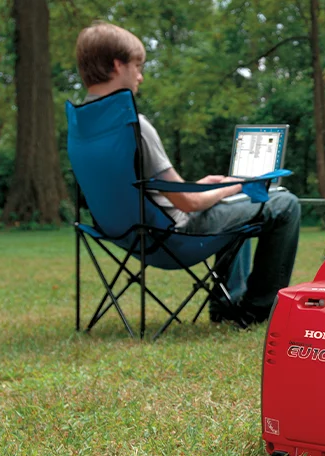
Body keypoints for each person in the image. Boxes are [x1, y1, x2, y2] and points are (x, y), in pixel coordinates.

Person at [75, 22, 300, 327]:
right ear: (117, 65)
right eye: (137, 66)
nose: (140, 76)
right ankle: (255, 309)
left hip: (127, 235)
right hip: (173, 238)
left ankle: (226, 304)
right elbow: (188, 203)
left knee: (237, 208)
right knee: (284, 203)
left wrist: (204, 187)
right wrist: (235, 186)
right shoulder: (133, 125)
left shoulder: (82, 126)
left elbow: (150, 190)